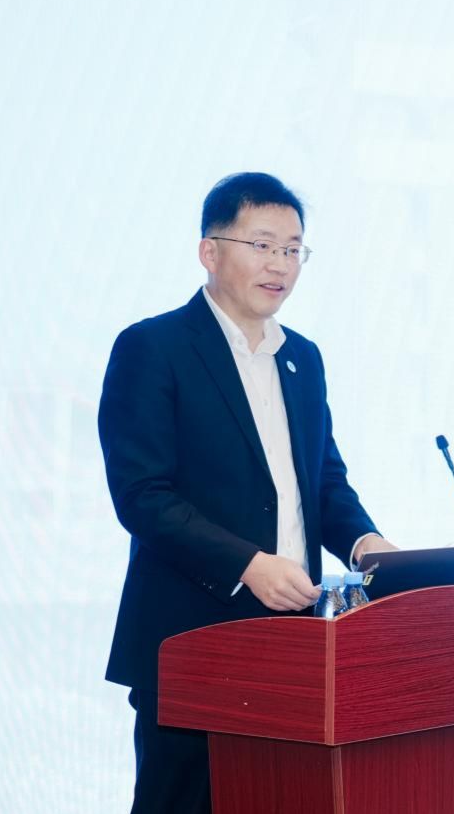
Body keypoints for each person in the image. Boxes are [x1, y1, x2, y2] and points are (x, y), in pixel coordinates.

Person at [98, 172, 398, 813]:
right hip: (190, 640)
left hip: (295, 643)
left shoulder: (303, 358)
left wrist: (365, 542)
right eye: (262, 245)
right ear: (209, 251)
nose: (280, 264)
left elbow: (321, 480)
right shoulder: (153, 348)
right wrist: (247, 564)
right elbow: (142, 495)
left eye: (293, 249)